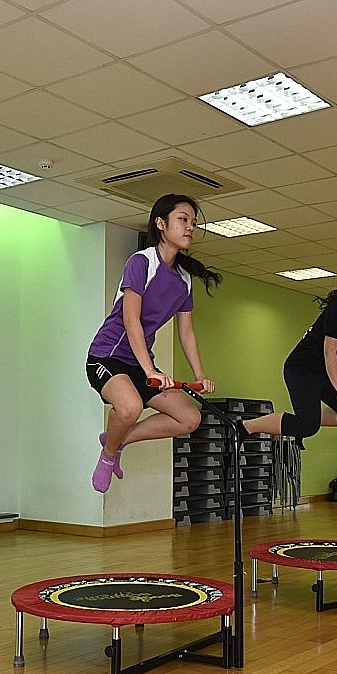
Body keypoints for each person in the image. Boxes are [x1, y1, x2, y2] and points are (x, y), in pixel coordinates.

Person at [85, 194, 220, 493]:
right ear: (161, 223)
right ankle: (109, 456)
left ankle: (117, 440)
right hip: (107, 356)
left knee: (189, 418)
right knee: (130, 407)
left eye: (193, 223)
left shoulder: (184, 279)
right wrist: (150, 371)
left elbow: (186, 331)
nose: (190, 228)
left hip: (140, 362)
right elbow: (131, 321)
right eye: (183, 220)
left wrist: (200, 375)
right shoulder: (142, 262)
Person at [240, 258, 337, 443]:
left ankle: (306, 419)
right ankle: (246, 427)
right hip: (302, 368)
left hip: (323, 371)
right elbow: (329, 351)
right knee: (308, 427)